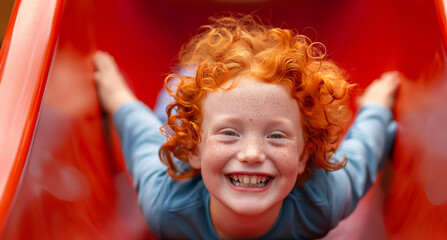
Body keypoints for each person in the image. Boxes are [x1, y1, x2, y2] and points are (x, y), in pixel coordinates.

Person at [93, 15, 399, 239]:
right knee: (175, 108)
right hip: (188, 89)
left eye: (277, 136)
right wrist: (118, 97)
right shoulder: (167, 205)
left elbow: (361, 156)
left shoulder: (321, 202)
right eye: (230, 134)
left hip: (225, 97)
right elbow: (143, 139)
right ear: (193, 151)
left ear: (304, 155)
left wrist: (377, 107)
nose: (252, 154)